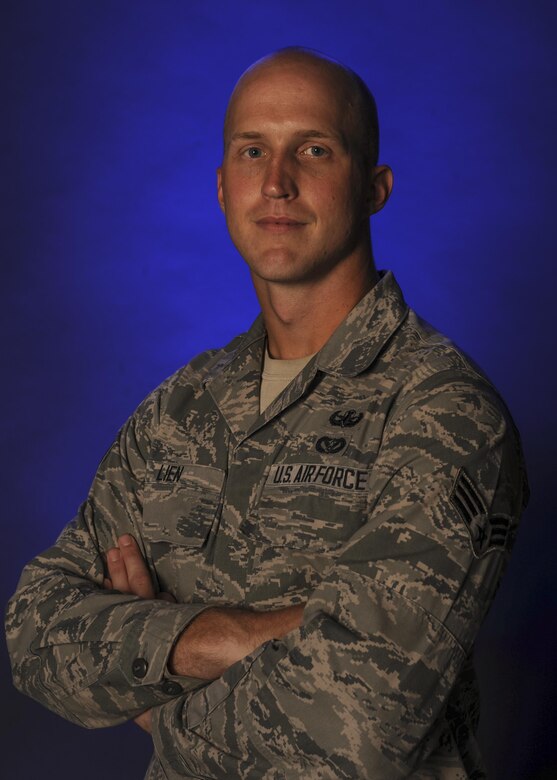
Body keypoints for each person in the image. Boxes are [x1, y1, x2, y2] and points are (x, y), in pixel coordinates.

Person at [6, 47, 528, 779]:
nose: (277, 182)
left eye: (313, 150)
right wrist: (231, 635)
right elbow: (34, 630)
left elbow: (358, 728)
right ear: (223, 187)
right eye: (253, 151)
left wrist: (152, 695)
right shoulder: (181, 408)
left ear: (374, 186)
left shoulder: (443, 410)